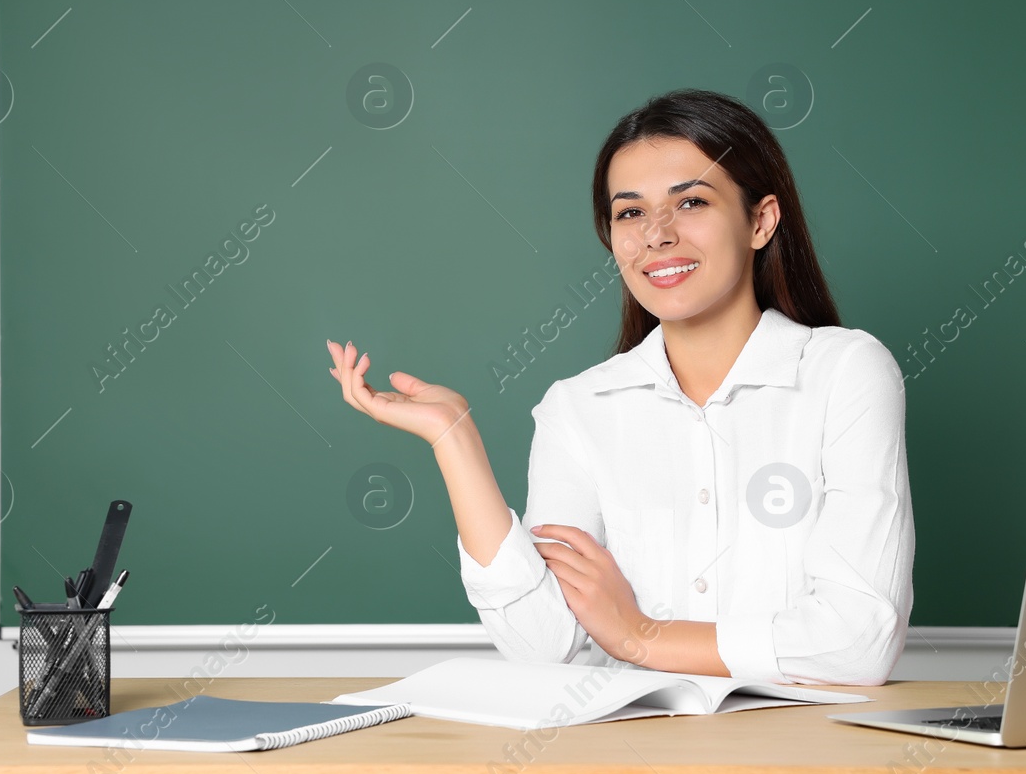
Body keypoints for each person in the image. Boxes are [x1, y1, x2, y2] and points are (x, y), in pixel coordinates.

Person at [326, 87, 913, 684]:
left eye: (691, 203)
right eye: (630, 212)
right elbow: (545, 647)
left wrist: (639, 635)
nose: (656, 235)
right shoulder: (579, 409)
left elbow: (856, 643)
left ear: (759, 220)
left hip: (803, 763)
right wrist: (454, 440)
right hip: (628, 756)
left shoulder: (845, 373)